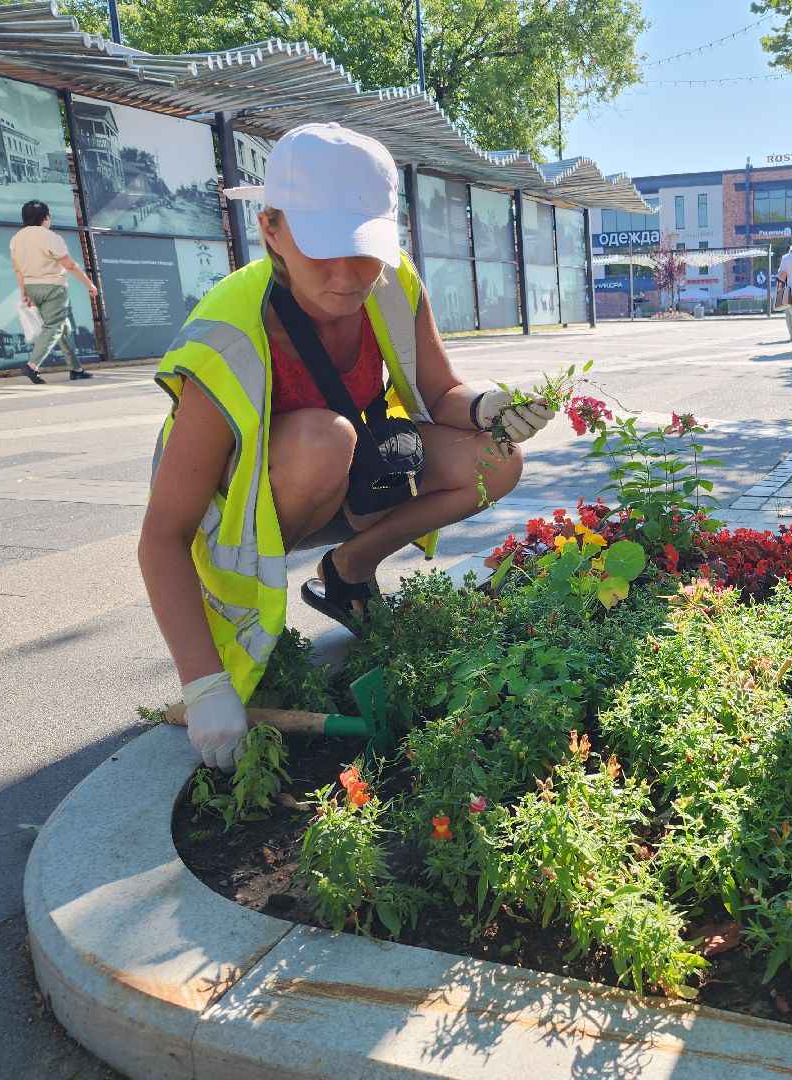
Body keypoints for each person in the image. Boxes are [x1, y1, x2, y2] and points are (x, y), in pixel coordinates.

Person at [139, 123, 555, 772]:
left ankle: (347, 570)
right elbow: (162, 536)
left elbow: (441, 389)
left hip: (349, 479)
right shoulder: (227, 333)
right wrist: (205, 683)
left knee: (497, 460)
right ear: (271, 230)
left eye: (363, 249)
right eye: (322, 249)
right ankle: (261, 615)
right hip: (253, 511)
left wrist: (485, 408)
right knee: (324, 439)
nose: (346, 276)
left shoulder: (392, 284)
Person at [9, 200, 98, 384]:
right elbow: (70, 265)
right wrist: (89, 284)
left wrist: (23, 292)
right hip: (53, 288)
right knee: (54, 326)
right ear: (45, 218)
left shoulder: (16, 239)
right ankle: (32, 365)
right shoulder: (50, 236)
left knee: (63, 327)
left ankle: (76, 369)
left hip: (32, 287)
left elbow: (18, 270)